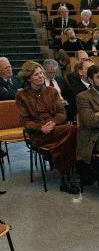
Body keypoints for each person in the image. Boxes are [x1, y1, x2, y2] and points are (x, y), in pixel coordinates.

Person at [16, 61, 79, 194]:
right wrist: (41, 127)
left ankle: (65, 177)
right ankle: (68, 176)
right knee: (71, 130)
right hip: (38, 134)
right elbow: (25, 121)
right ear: (28, 78)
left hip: (56, 129)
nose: (41, 76)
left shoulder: (52, 91)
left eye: (41, 73)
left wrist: (53, 123)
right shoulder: (22, 95)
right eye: (36, 74)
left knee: (70, 130)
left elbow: (62, 113)